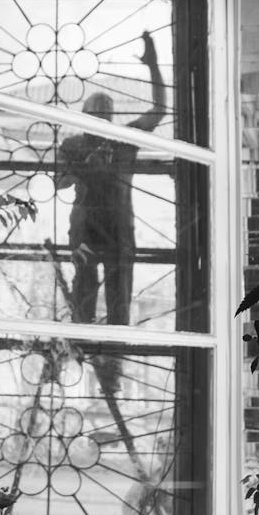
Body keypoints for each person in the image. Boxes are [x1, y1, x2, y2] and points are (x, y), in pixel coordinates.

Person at [56, 30, 166, 329]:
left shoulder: (124, 140)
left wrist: (153, 66)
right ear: (85, 116)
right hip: (87, 229)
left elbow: (158, 111)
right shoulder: (74, 145)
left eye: (106, 114)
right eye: (96, 114)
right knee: (83, 304)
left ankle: (112, 359)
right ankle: (84, 348)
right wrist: (83, 167)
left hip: (118, 230)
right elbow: (58, 183)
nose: (102, 120)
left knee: (119, 306)